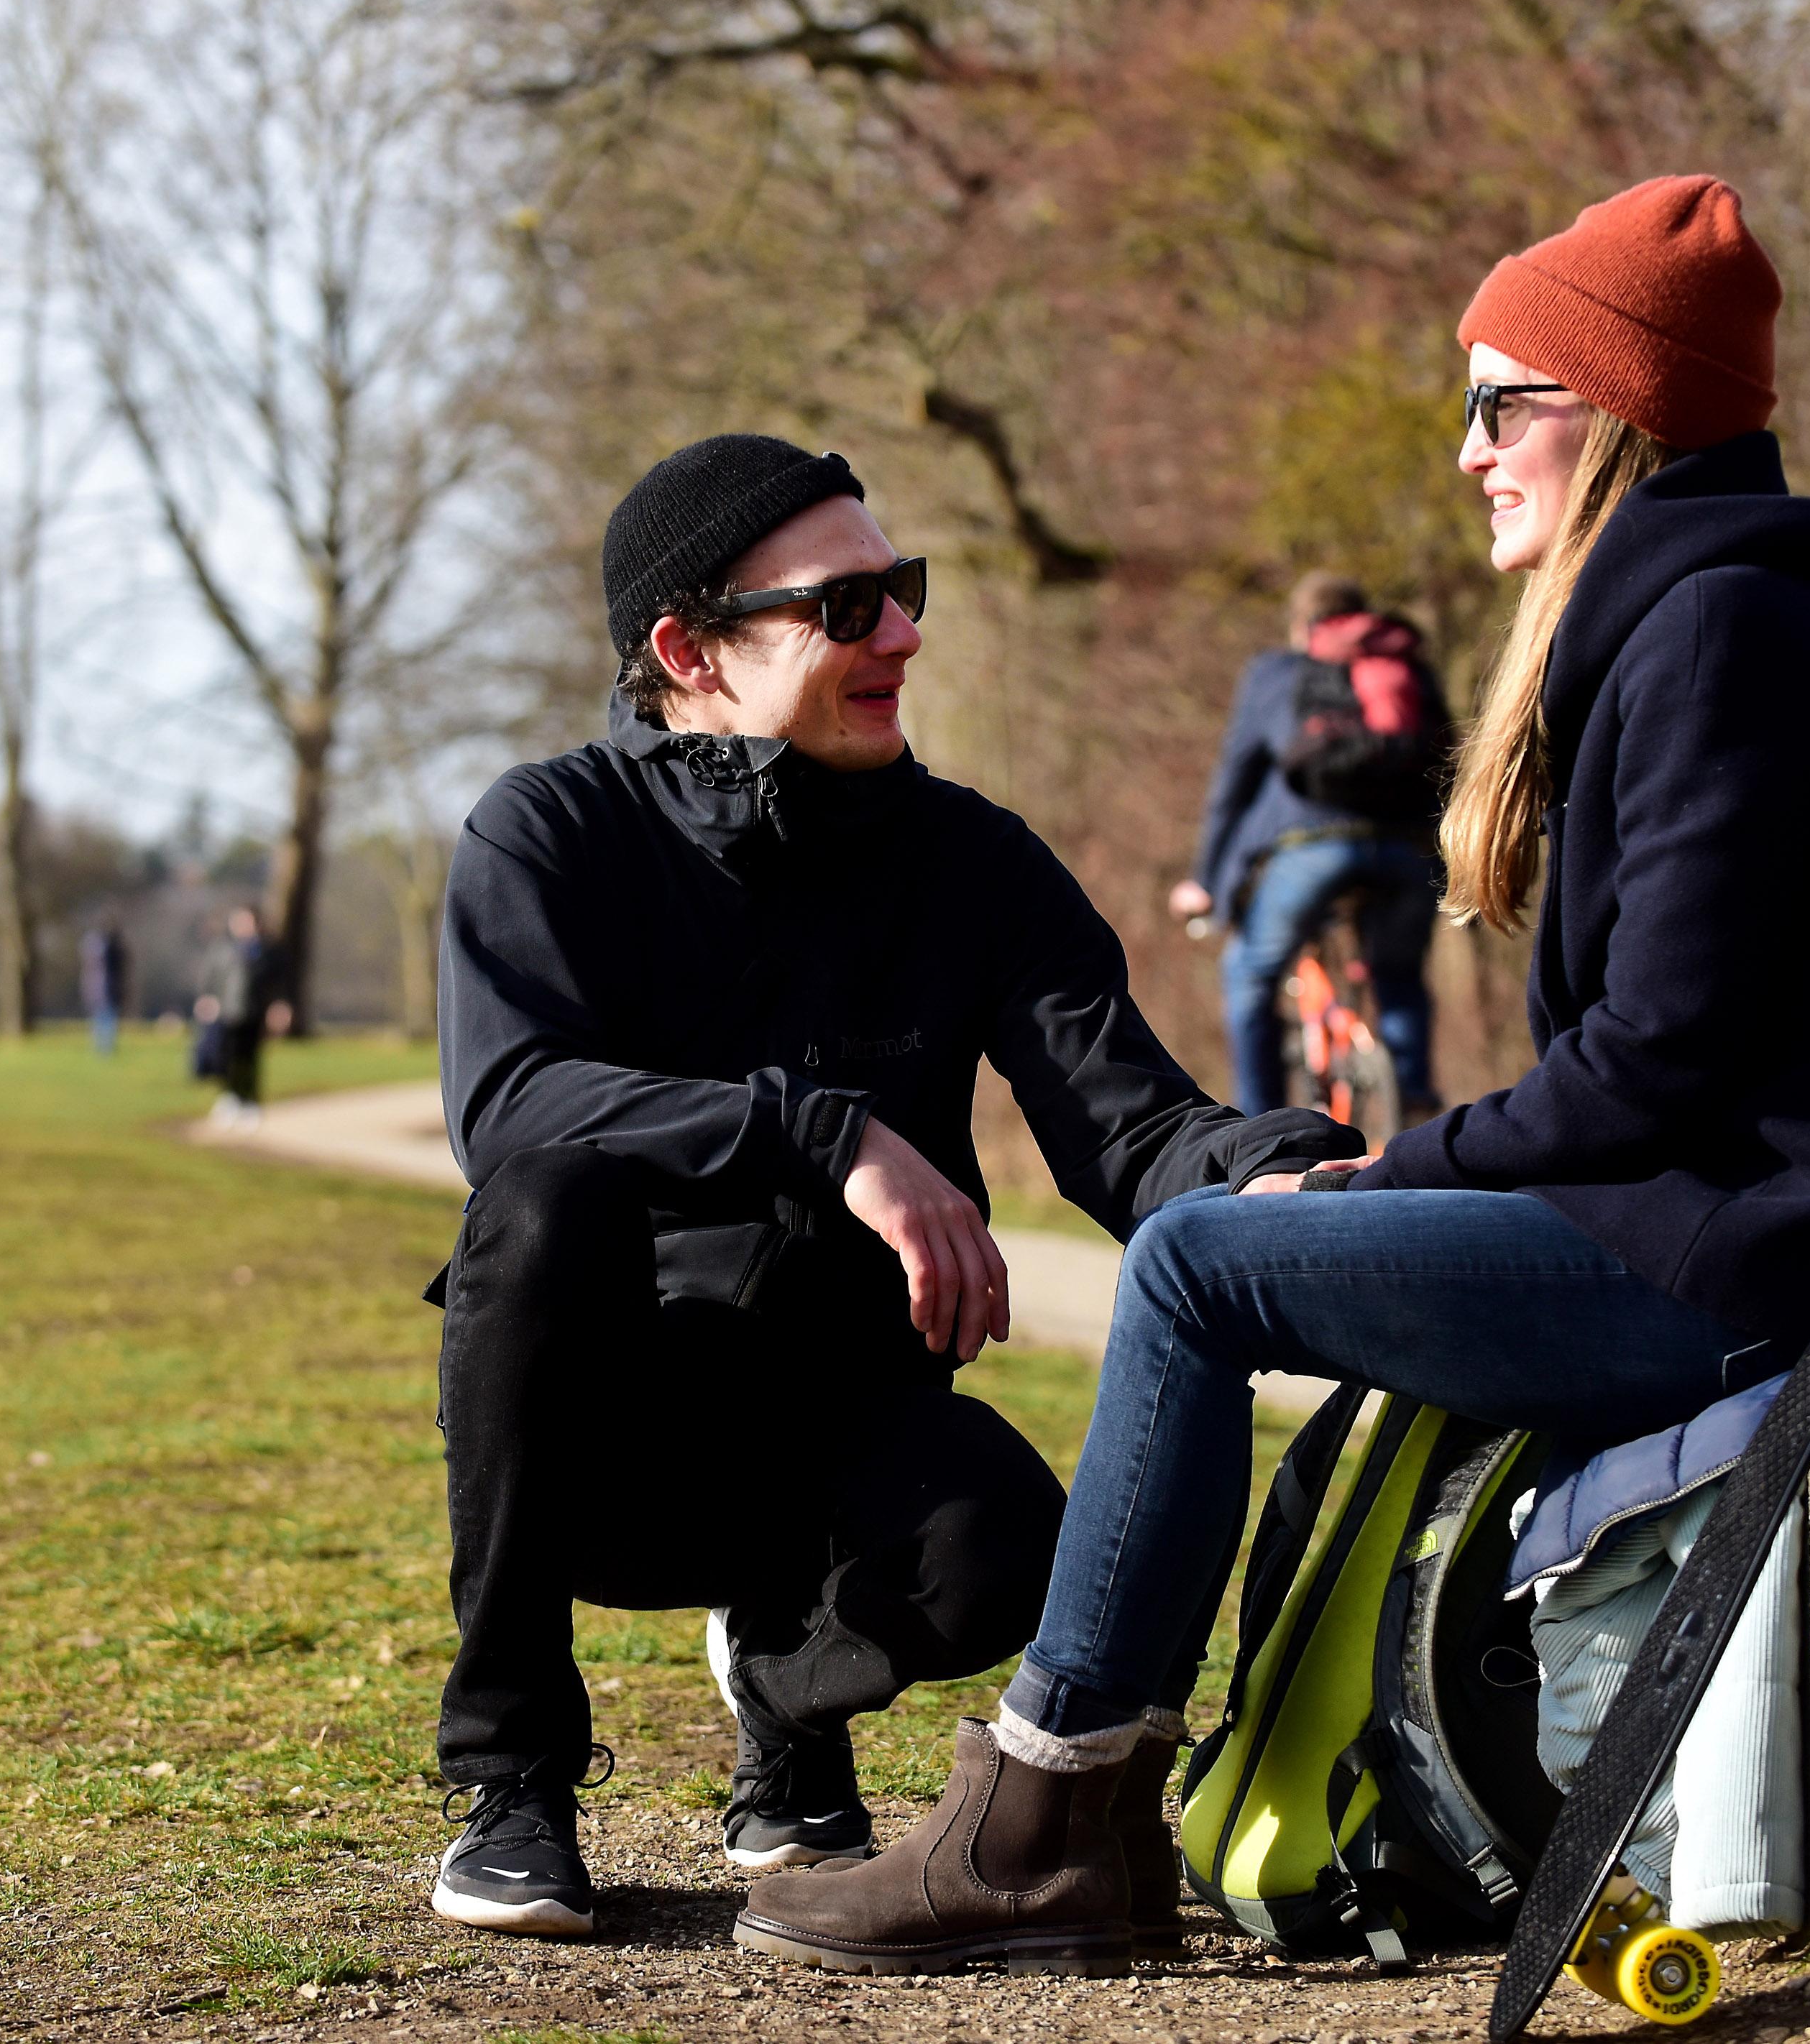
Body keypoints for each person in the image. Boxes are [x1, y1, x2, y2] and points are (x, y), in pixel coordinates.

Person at [738, 178, 1810, 1974]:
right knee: (1227, 1238)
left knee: (1200, 1264)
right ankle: (1075, 1823)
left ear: (1612, 413)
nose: (1467, 452)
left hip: (1799, 1260)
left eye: (1500, 402)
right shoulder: (1702, 628)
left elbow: (1652, 1063)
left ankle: (1051, 1828)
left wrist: (1391, 1175)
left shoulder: (1720, 641)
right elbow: (1663, 1065)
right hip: (1753, 1229)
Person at [424, 433, 1359, 1943]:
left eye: (902, 590)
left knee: (1011, 1555)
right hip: (608, 1442)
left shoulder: (971, 863)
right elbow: (509, 1105)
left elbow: (1130, 1131)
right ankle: (513, 1780)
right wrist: (833, 1135)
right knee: (541, 1213)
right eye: (847, 607)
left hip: (836, 1415)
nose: (906, 634)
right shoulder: (549, 835)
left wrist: (1298, 1171)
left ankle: (786, 1696)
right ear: (688, 650)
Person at [1173, 573, 1449, 1118]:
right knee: (1398, 975)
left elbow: (1236, 779)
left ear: (1304, 627)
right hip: (1407, 850)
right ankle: (1413, 1099)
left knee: (1249, 975)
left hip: (1311, 851)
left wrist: (1207, 881)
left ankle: (1259, 1125)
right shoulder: (1406, 668)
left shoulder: (1277, 672)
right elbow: (1447, 759)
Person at [193, 906, 281, 1127]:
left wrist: (278, 1008)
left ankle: (250, 1101)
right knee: (227, 1058)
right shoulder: (223, 948)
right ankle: (230, 1098)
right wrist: (207, 998)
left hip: (254, 1012)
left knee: (250, 1060)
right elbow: (210, 976)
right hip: (227, 1012)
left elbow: (277, 983)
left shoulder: (266, 950)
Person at [81, 914, 132, 1055]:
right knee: (107, 1018)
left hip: (100, 989)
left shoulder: (94, 946)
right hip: (107, 989)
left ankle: (103, 1048)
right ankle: (105, 1048)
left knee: (103, 1018)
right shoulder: (112, 948)